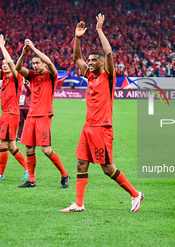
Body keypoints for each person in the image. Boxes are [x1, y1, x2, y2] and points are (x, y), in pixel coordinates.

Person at [61, 14, 144, 213]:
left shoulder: (108, 77)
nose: (89, 63)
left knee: (107, 168)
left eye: (93, 60)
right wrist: (78, 37)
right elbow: (76, 58)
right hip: (88, 127)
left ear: (101, 63)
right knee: (81, 164)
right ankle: (79, 204)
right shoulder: (89, 75)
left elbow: (108, 53)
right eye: (89, 60)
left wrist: (99, 30)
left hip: (102, 128)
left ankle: (135, 194)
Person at [15, 38, 69, 188]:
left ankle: (64, 174)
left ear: (44, 63)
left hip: (44, 116)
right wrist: (24, 54)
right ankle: (32, 180)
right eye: (33, 63)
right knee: (29, 148)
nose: (35, 65)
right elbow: (18, 68)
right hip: (31, 116)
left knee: (46, 150)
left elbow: (51, 64)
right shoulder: (32, 76)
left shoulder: (51, 76)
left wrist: (33, 48)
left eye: (37, 63)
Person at [0, 34, 29, 181]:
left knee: (2, 143)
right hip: (6, 114)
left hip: (11, 114)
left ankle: (1, 174)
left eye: (5, 63)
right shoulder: (4, 77)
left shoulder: (17, 77)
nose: (4, 65)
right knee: (11, 146)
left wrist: (2, 46)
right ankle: (27, 170)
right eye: (2, 63)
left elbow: (11, 62)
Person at [16, 77, 31, 142]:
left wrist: (25, 84)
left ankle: (28, 137)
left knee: (29, 123)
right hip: (20, 107)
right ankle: (19, 137)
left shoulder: (30, 84)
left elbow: (30, 91)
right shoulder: (20, 84)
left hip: (27, 107)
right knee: (20, 122)